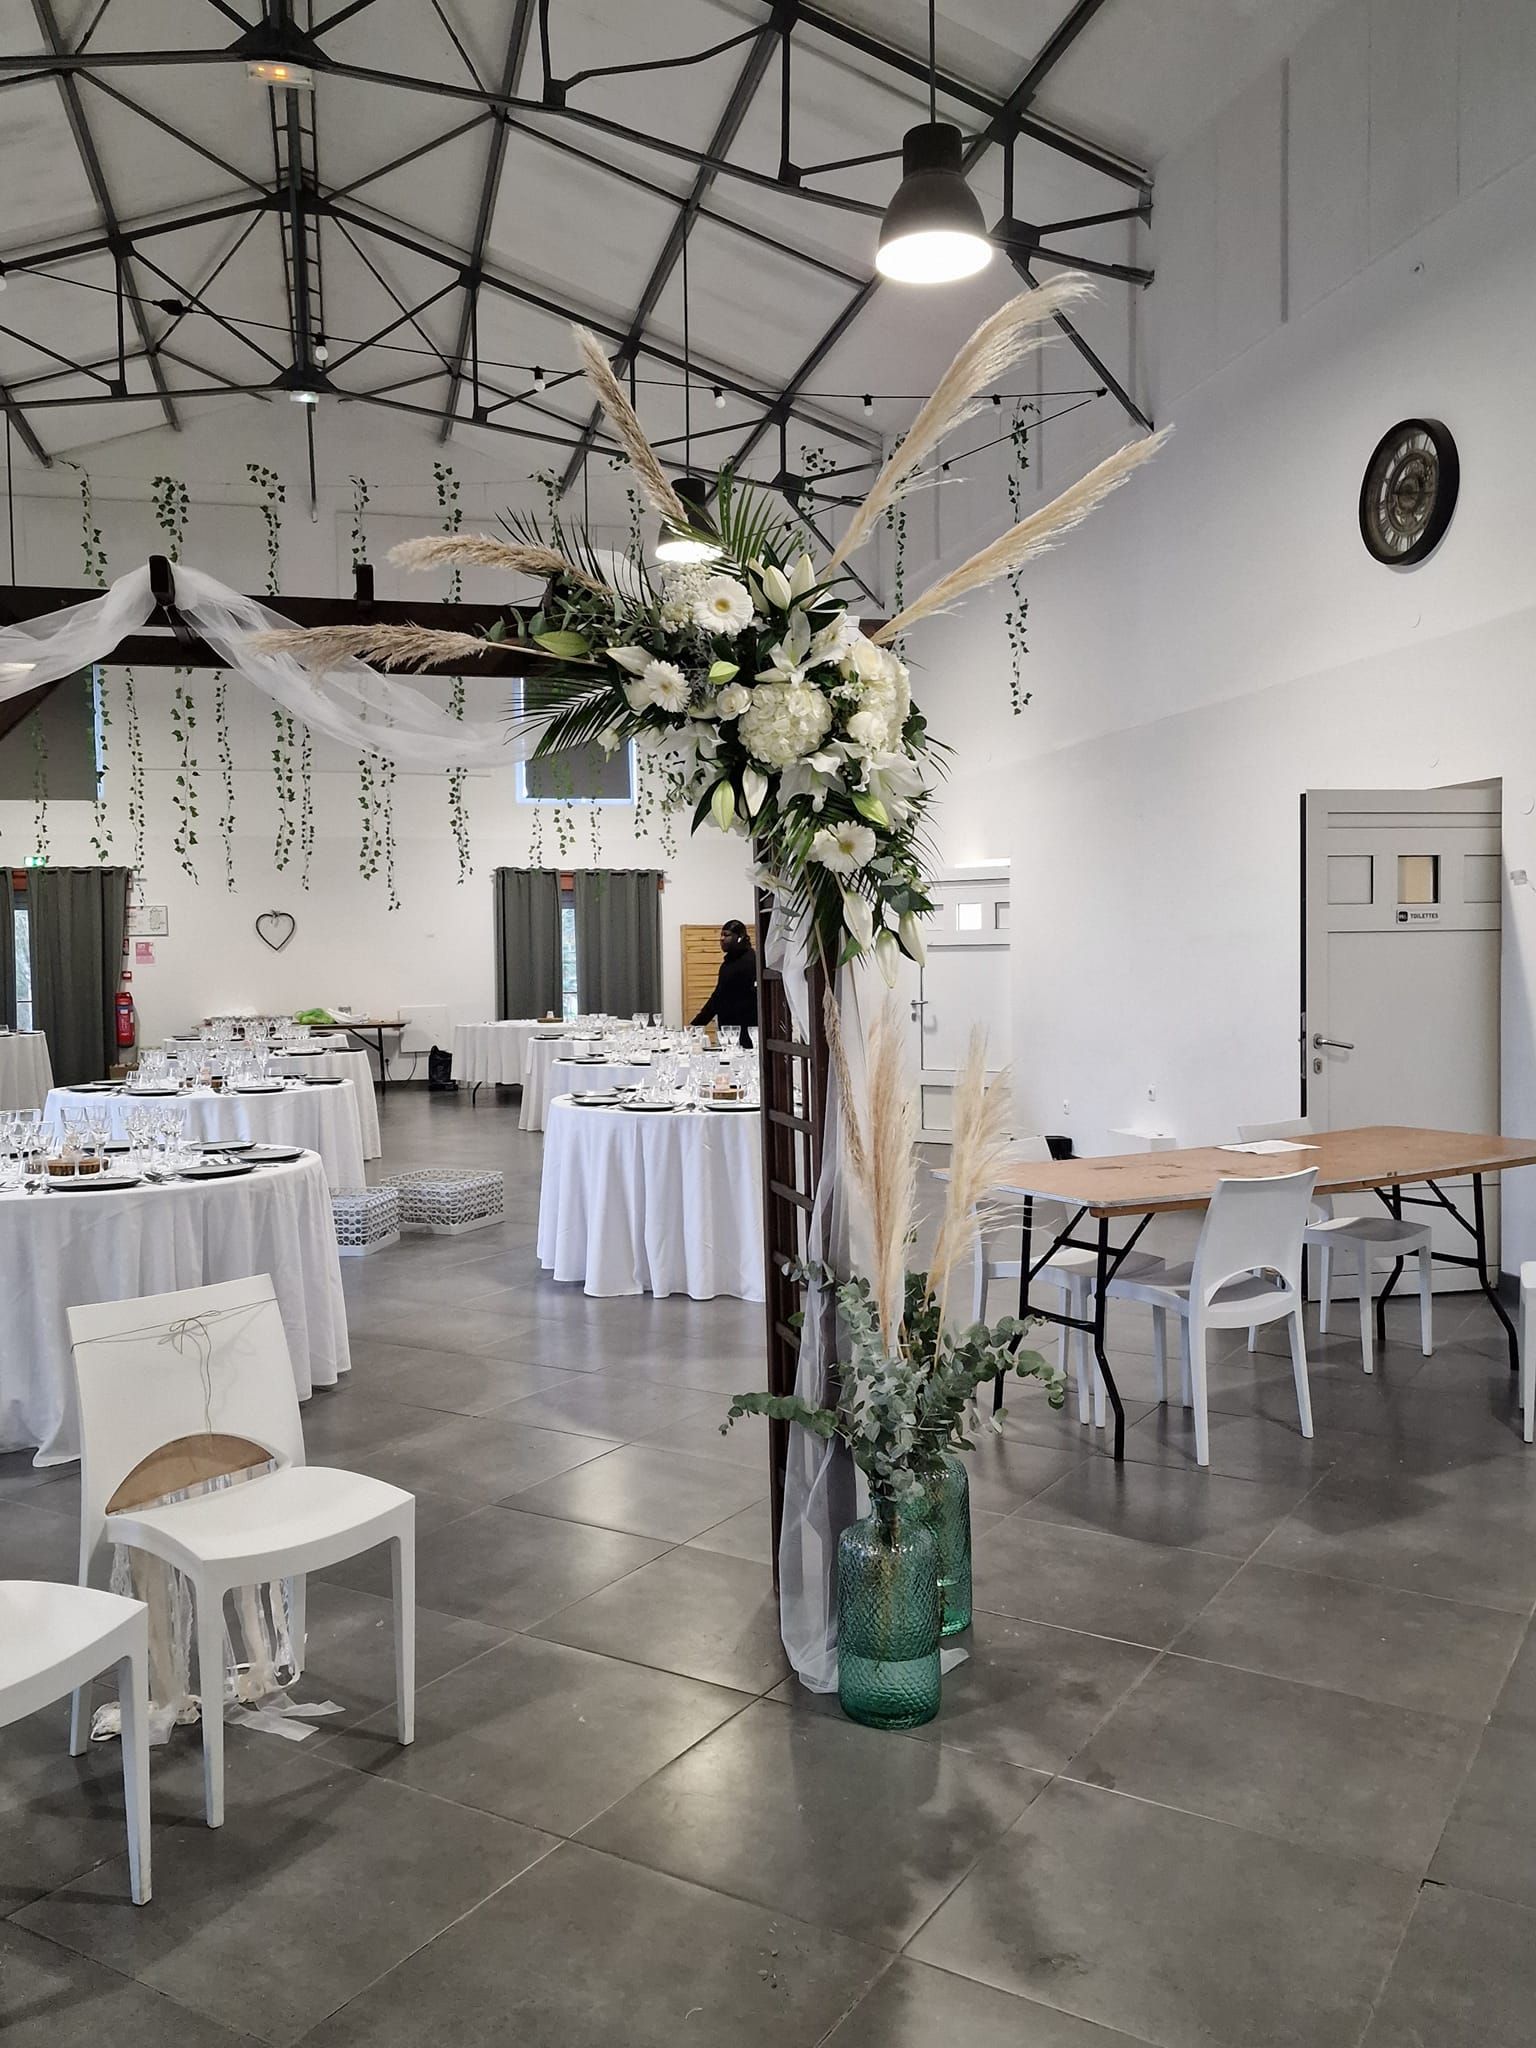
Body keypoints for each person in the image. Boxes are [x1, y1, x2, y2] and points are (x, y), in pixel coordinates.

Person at [692, 919, 759, 1046]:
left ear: (740, 938)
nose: (722, 939)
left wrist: (697, 1026)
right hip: (731, 1029)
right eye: (721, 935)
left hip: (744, 1031)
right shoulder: (731, 962)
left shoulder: (747, 962)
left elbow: (718, 997)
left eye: (726, 935)